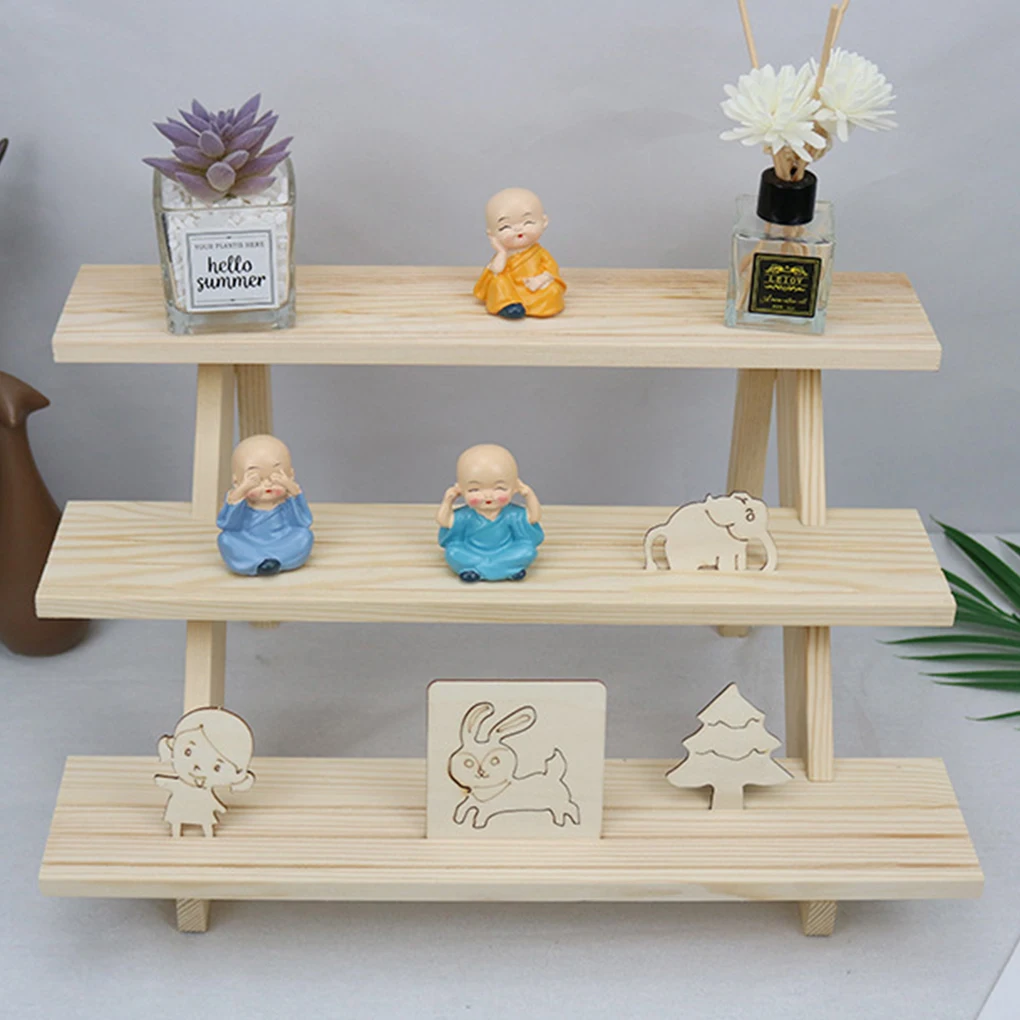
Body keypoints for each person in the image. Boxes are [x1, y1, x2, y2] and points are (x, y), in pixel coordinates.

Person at [436, 443, 544, 581]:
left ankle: (479, 568)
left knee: (527, 550)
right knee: (453, 551)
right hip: (472, 552)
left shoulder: (512, 514)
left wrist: (528, 494)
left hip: (506, 551)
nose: (488, 496)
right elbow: (444, 522)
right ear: (461, 490)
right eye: (474, 489)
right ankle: (506, 568)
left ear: (514, 488)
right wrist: (448, 501)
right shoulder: (465, 515)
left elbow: (534, 517)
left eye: (499, 488)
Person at [216, 434, 314, 576]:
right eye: (257, 480)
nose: (267, 485)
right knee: (226, 539)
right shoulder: (242, 504)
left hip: (283, 539)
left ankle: (278, 561)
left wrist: (292, 489)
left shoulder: (287, 502)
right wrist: (241, 491)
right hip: (248, 541)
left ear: (291, 476)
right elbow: (227, 525)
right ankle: (256, 562)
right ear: (237, 482)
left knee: (304, 536)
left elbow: (304, 522)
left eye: (275, 478)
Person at [154, 707, 256, 838]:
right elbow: (170, 784)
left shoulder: (204, 791)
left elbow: (211, 800)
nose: (197, 768)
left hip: (201, 811)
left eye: (216, 768)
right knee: (178, 820)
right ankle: (176, 833)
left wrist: (220, 807)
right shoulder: (183, 785)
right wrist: (161, 781)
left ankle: (206, 833)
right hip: (180, 808)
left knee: (205, 821)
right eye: (188, 752)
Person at [473, 187, 566, 319]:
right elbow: (497, 270)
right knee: (498, 281)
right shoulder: (504, 255)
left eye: (528, 222)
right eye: (505, 227)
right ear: (492, 233)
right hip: (510, 288)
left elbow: (551, 270)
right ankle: (509, 305)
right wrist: (501, 251)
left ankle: (534, 306)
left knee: (553, 290)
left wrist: (540, 279)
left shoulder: (540, 253)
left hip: (533, 287)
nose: (518, 229)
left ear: (544, 222)